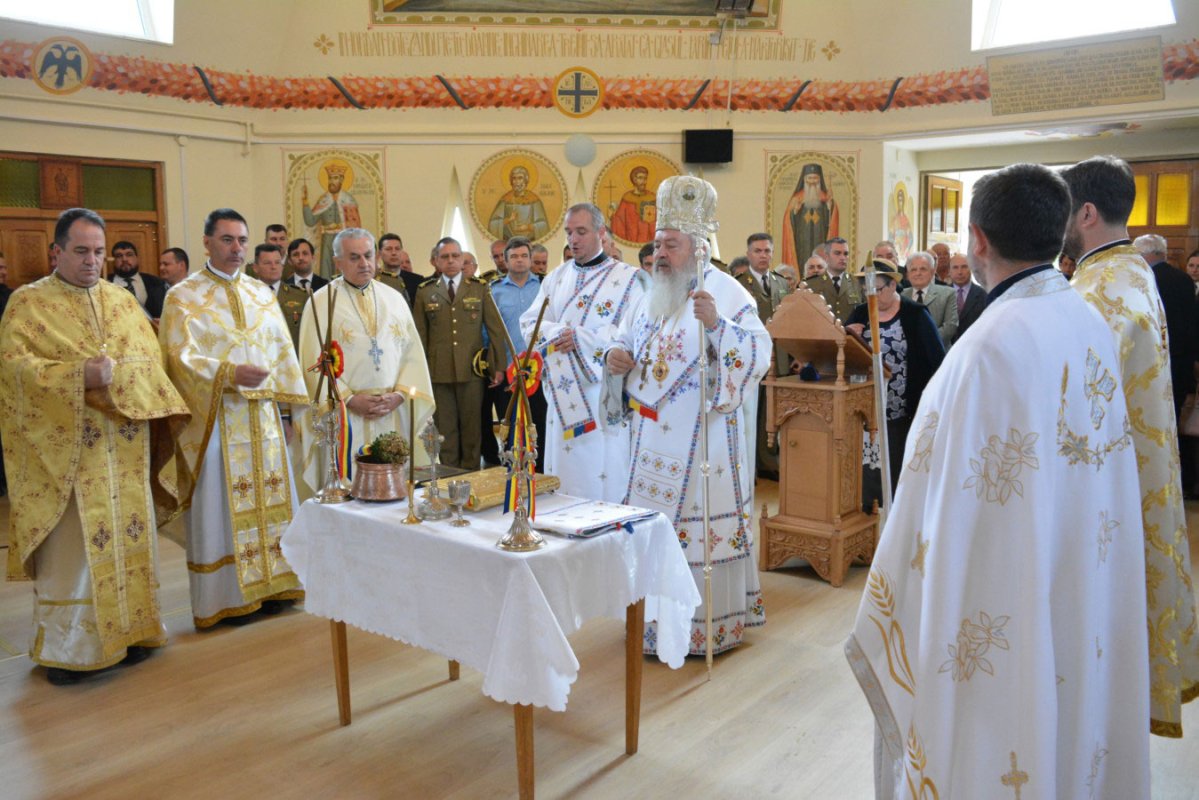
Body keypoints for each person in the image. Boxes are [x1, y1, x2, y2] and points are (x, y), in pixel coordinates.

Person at [846, 162, 1150, 799]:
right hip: (1079, 571)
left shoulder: (988, 347)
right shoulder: (1086, 318)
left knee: (1002, 719)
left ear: (977, 240)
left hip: (1002, 590)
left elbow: (935, 504)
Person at [1, 207, 188, 684]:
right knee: (77, 550)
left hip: (124, 448)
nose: (92, 261)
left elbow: (150, 362)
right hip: (67, 454)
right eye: (81, 251)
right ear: (56, 252)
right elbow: (16, 371)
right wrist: (76, 376)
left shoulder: (122, 302)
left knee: (129, 540)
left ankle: (134, 631)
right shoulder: (28, 303)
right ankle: (71, 648)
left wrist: (121, 380)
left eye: (99, 252)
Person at [604, 175, 770, 655]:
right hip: (650, 441)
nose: (660, 254)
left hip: (705, 441)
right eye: (657, 244)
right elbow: (628, 336)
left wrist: (718, 325)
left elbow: (758, 354)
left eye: (670, 245)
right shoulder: (652, 289)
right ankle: (649, 624)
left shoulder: (728, 293)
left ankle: (703, 628)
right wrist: (616, 354)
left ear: (698, 248)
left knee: (697, 534)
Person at [1063, 155, 1199, 737]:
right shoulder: (1132, 273)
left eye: (1066, 209)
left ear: (1086, 212)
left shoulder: (1095, 292)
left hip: (1107, 490)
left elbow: (1075, 410)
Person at [159, 208, 310, 628]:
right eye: (227, 240)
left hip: (262, 419)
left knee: (274, 501)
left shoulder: (262, 293)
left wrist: (288, 411)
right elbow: (177, 358)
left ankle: (276, 586)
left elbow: (283, 352)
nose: (236, 248)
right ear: (206, 242)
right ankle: (226, 597)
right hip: (215, 420)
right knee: (219, 508)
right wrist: (227, 374)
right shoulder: (183, 296)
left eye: (242, 240)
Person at [519, 203, 646, 502]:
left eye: (581, 232)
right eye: (568, 233)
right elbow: (530, 324)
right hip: (562, 396)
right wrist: (557, 334)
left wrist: (581, 338)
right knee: (563, 471)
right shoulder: (556, 278)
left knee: (602, 471)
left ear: (601, 233)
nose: (573, 239)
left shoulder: (629, 279)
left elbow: (636, 333)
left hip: (600, 391)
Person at [295, 228, 435, 495]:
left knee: (397, 490)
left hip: (393, 411)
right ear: (337, 262)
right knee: (351, 492)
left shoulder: (394, 299)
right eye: (354, 257)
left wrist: (400, 395)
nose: (364, 263)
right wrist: (348, 399)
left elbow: (412, 354)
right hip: (346, 416)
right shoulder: (321, 302)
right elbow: (314, 361)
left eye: (369, 255)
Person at [845, 259, 944, 502]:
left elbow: (937, 360)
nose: (871, 295)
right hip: (866, 407)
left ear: (892, 286)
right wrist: (849, 336)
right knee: (868, 471)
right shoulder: (860, 312)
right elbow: (844, 354)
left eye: (876, 289)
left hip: (903, 408)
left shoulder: (914, 314)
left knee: (898, 466)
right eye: (866, 290)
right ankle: (868, 512)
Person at [413, 237, 505, 470]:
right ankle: (449, 477)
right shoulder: (425, 292)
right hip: (439, 372)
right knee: (445, 430)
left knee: (472, 429)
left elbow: (495, 330)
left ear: (463, 258)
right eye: (445, 257)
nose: (451, 261)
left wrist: (498, 367)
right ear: (436, 261)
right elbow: (420, 337)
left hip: (472, 371)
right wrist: (420, 373)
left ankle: (472, 477)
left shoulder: (479, 287)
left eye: (456, 256)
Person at [489, 237, 548, 472]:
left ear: (531, 258)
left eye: (524, 255)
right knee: (511, 423)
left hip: (540, 371)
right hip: (509, 372)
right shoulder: (494, 291)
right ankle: (513, 471)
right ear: (505, 260)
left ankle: (541, 472)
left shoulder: (545, 286)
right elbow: (490, 333)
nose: (520, 260)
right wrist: (497, 366)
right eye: (514, 256)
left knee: (540, 423)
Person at [736, 232, 792, 482]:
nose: (763, 255)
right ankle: (750, 463)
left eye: (767, 251)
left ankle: (770, 461)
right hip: (750, 359)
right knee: (752, 413)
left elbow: (788, 321)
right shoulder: (739, 283)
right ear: (749, 254)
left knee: (772, 413)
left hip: (777, 359)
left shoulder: (781, 283)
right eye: (757, 251)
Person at [302, 161, 361, 279]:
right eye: (330, 178)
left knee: (344, 270)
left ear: (341, 180)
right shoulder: (324, 200)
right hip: (327, 240)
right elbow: (310, 221)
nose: (331, 182)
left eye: (335, 178)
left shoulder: (348, 200)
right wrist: (305, 202)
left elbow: (355, 227)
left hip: (344, 241)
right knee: (326, 271)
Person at [780, 163, 839, 270]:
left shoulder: (825, 197)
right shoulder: (797, 197)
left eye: (815, 178)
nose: (812, 181)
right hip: (801, 239)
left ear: (819, 179)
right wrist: (795, 212)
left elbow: (830, 219)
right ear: (805, 179)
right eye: (809, 178)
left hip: (820, 236)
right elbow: (788, 220)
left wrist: (830, 207)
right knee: (802, 259)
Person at [252, 243, 307, 351]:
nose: (274, 267)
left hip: (290, 360)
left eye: (277, 262)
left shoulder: (301, 296)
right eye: (267, 263)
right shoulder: (246, 295)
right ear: (255, 267)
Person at [901, 251, 958, 343]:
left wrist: (924, 342)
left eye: (923, 269)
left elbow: (950, 326)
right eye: (913, 270)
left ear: (932, 272)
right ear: (908, 274)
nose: (918, 273)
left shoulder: (948, 293)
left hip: (938, 351)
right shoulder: (901, 295)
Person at [804, 237, 861, 323]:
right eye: (837, 253)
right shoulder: (812, 284)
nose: (842, 257)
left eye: (845, 254)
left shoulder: (857, 283)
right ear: (826, 257)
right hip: (821, 334)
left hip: (850, 335)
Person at [109, 240, 168, 318]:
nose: (124, 259)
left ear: (137, 258)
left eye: (129, 254)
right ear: (114, 260)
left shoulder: (156, 282)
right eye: (119, 256)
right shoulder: (105, 283)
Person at [488, 165, 549, 241]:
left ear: (526, 180)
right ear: (511, 181)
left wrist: (528, 227)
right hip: (508, 240)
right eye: (514, 178)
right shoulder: (505, 199)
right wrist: (509, 220)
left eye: (520, 178)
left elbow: (543, 225)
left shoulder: (534, 199)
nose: (517, 182)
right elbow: (493, 223)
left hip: (530, 240)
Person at [610, 165, 656, 244]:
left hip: (648, 239)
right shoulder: (627, 197)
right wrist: (612, 217)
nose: (644, 181)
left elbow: (659, 219)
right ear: (634, 179)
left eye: (645, 178)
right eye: (640, 178)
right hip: (631, 238)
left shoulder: (652, 197)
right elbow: (620, 220)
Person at [947, 252, 985, 342]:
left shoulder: (984, 295)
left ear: (971, 268)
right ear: (949, 271)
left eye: (964, 267)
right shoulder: (941, 294)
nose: (960, 272)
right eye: (955, 267)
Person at [376, 232, 423, 306]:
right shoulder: (375, 280)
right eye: (388, 249)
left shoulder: (417, 280)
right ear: (380, 253)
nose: (394, 253)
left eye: (397, 249)